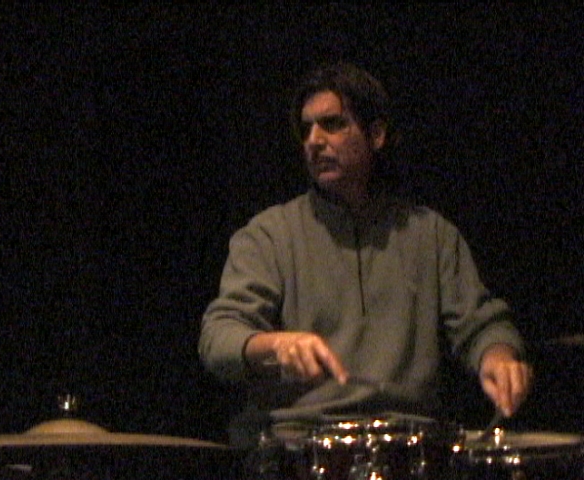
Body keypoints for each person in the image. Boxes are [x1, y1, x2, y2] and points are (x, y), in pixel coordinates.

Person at [198, 62, 533, 450]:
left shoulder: (431, 234)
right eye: (306, 129)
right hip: (299, 442)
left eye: (333, 124)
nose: (314, 140)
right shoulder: (269, 234)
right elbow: (218, 337)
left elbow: (482, 325)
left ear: (376, 135)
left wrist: (498, 358)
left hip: (407, 443)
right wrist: (276, 345)